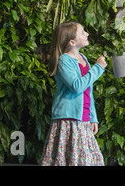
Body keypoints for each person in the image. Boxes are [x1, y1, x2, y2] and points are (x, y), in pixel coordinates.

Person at [41, 21, 107, 166]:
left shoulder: (83, 59)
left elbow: (87, 91)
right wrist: (98, 68)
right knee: (70, 160)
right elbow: (77, 87)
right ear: (72, 42)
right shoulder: (64, 61)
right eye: (83, 32)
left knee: (91, 160)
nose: (87, 34)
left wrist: (93, 117)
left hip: (83, 119)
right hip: (68, 119)